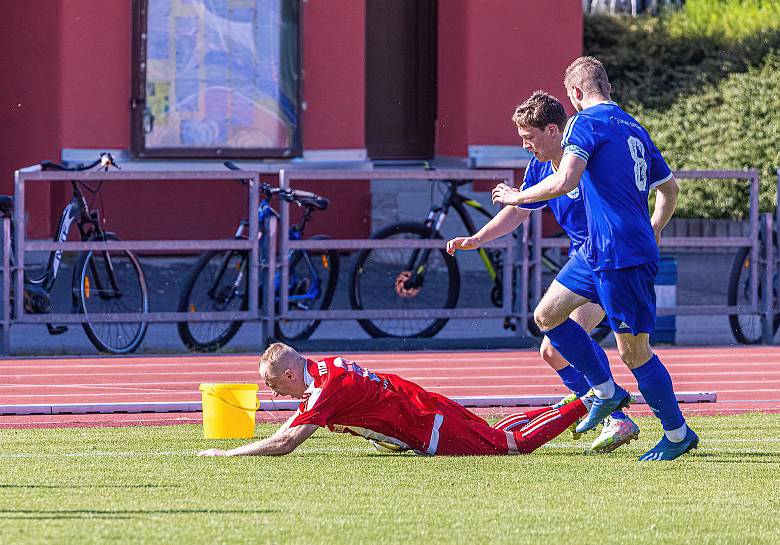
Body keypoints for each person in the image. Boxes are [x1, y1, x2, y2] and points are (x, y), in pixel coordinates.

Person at [491, 56, 697, 461]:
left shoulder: (585, 122)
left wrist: (517, 196)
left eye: (570, 97)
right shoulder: (633, 126)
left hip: (621, 253)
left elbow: (566, 179)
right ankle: (606, 394)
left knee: (634, 351)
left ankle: (677, 434)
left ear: (576, 93)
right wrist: (654, 226)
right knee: (547, 317)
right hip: (599, 250)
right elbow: (669, 190)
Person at [446, 90, 641, 454]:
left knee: (570, 338)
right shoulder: (540, 167)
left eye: (530, 138)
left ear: (553, 130)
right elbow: (520, 210)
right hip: (583, 259)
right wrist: (478, 238)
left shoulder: (583, 158)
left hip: (610, 258)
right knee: (552, 352)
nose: (525, 147)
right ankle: (603, 405)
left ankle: (614, 410)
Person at [198, 343, 589, 457]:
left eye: (272, 383)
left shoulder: (323, 390)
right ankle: (576, 401)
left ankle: (586, 404)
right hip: (423, 403)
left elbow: (285, 442)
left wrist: (229, 455)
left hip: (425, 425)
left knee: (509, 446)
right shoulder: (325, 366)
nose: (271, 391)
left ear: (288, 374)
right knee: (494, 434)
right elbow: (305, 415)